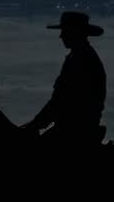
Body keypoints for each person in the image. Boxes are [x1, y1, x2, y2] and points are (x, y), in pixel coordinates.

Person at [20, 10, 108, 156]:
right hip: (80, 126)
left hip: (75, 129)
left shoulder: (80, 60)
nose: (61, 36)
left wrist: (35, 125)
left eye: (65, 31)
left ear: (74, 33)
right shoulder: (82, 56)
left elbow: (60, 101)